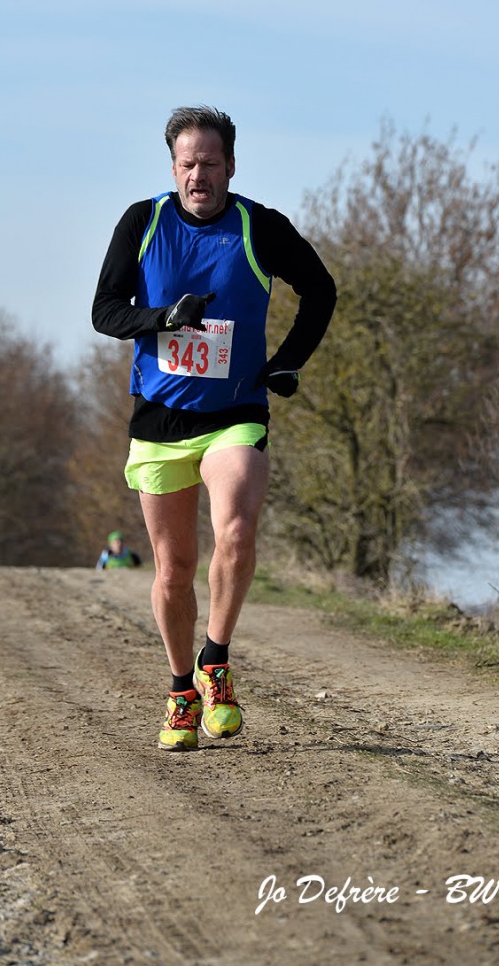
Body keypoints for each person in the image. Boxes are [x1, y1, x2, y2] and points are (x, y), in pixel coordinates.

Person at [92, 106, 336, 751]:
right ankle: (181, 691)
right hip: (160, 419)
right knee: (174, 570)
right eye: (187, 164)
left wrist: (287, 362)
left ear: (231, 166)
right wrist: (164, 317)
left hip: (235, 413)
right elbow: (105, 311)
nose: (198, 175)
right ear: (173, 167)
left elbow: (321, 291)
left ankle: (216, 660)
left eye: (209, 163)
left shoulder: (260, 227)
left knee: (236, 530)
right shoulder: (143, 222)